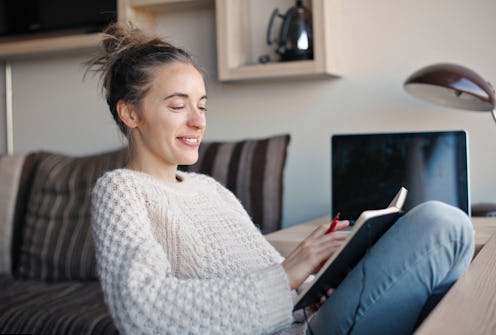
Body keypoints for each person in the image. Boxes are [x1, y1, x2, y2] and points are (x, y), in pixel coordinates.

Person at [87, 22, 474, 335]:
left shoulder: (210, 189)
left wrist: (313, 285)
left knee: (452, 235)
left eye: (201, 106)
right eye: (177, 105)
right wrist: (289, 275)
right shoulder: (122, 191)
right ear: (130, 114)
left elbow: (272, 274)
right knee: (442, 225)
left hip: (307, 320)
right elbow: (142, 311)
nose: (198, 120)